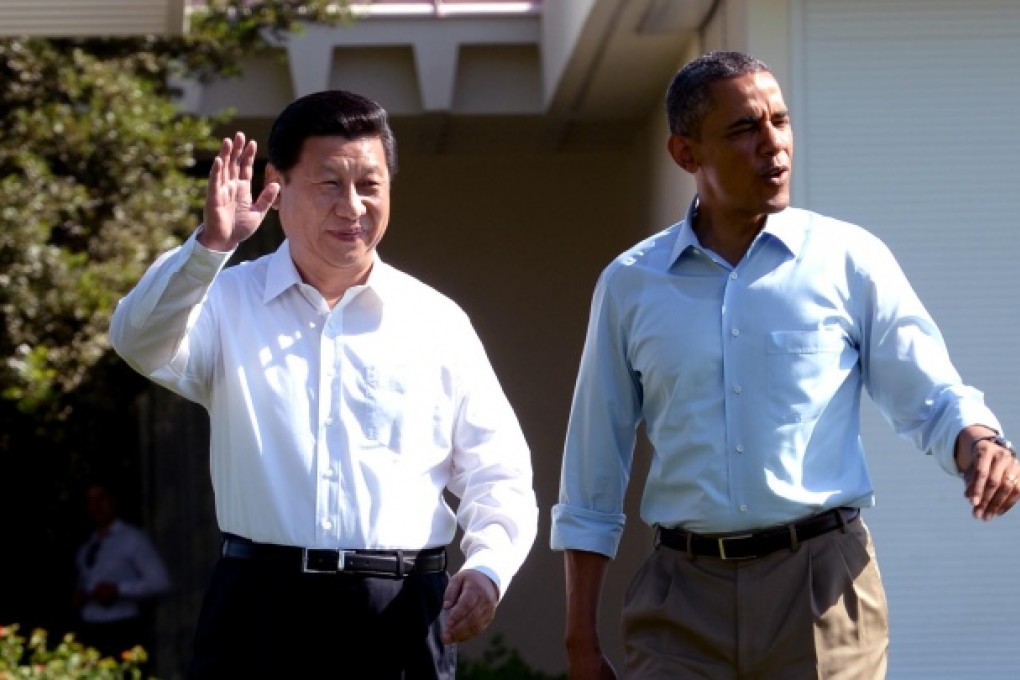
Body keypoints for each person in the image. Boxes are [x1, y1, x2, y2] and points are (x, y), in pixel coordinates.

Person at [550, 50, 1019, 679]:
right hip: (680, 600)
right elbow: (593, 469)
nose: (773, 144)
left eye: (780, 120)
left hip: (824, 589)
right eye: (744, 128)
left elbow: (930, 394)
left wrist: (981, 440)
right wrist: (580, 636)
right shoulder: (631, 285)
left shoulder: (849, 259)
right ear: (686, 154)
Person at [109, 89, 538, 679]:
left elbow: (499, 473)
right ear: (276, 186)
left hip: (401, 609)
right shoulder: (225, 300)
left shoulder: (436, 320)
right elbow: (137, 340)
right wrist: (211, 248)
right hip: (259, 609)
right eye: (330, 184)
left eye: (370, 185)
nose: (353, 206)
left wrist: (489, 567)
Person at [72, 481, 170, 659]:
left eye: (101, 498)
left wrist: (118, 589)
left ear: (112, 501)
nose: (96, 506)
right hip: (89, 626)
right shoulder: (88, 544)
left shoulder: (132, 538)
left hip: (121, 627)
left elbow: (159, 582)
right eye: (90, 501)